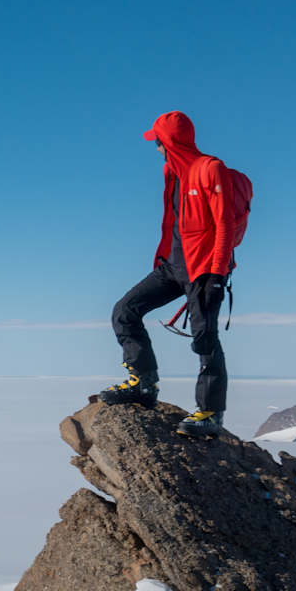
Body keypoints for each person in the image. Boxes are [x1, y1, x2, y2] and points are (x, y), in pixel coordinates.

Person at [99, 111, 234, 438]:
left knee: (205, 339)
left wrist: (216, 275)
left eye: (157, 141)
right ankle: (144, 383)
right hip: (173, 266)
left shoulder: (210, 168)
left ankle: (211, 414)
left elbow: (225, 225)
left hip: (203, 269)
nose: (155, 147)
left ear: (167, 141)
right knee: (125, 310)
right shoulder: (171, 171)